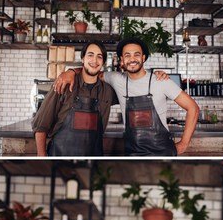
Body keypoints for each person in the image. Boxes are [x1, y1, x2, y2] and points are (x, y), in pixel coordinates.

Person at [54, 35, 200, 157]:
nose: (132, 59)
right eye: (127, 55)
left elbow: (193, 107)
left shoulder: (160, 81)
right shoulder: (116, 79)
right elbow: (91, 70)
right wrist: (71, 72)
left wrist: (183, 143)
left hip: (162, 152)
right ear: (122, 60)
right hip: (132, 153)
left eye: (137, 54)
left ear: (143, 58)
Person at [33, 42, 112, 157]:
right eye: (90, 55)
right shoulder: (63, 84)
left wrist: (72, 70)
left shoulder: (108, 91)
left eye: (99, 56)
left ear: (103, 62)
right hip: (60, 158)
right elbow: (41, 125)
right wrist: (42, 158)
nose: (94, 60)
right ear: (83, 58)